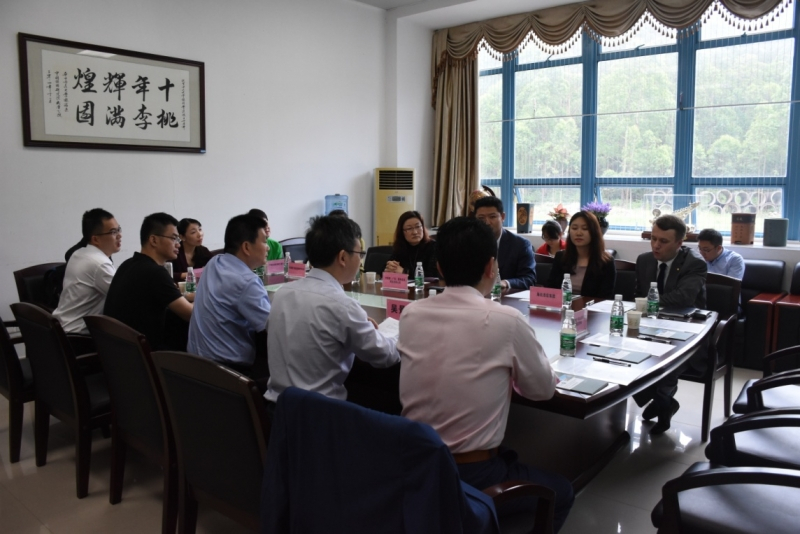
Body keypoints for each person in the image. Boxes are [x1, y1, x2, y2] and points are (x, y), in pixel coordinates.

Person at [397, 216, 573, 532]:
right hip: (474, 472)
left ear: (439, 268)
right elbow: (542, 390)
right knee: (562, 492)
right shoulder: (506, 320)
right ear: (492, 267)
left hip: (417, 462)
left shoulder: (411, 314)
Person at [264, 215, 399, 403]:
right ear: (343, 257)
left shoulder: (282, 293)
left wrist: (358, 325)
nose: (360, 260)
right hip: (320, 413)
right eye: (359, 254)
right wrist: (400, 334)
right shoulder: (342, 306)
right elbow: (385, 356)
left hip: (274, 407)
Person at [633, 214, 707, 435]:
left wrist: (647, 303)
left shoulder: (694, 263)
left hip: (687, 332)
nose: (656, 245)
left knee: (668, 362)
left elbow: (684, 298)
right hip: (649, 328)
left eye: (663, 241)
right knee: (623, 356)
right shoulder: (644, 260)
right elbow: (637, 295)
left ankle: (662, 402)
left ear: (679, 243)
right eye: (653, 238)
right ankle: (663, 401)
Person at [188, 214, 271, 376]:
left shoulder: (214, 263)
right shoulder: (247, 281)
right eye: (264, 241)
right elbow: (272, 327)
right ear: (246, 247)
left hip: (195, 363)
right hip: (228, 373)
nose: (267, 247)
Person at [104, 213, 194, 350]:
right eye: (174, 238)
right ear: (153, 240)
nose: (178, 244)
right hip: (145, 354)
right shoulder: (155, 272)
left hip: (118, 351)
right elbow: (190, 314)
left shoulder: (127, 264)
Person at [53, 209, 121, 335]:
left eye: (119, 229)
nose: (119, 235)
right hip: (77, 336)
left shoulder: (80, 253)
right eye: (113, 232)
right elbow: (125, 297)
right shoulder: (99, 264)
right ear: (95, 239)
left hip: (62, 328)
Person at [545, 211, 616, 300]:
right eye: (574, 228)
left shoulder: (606, 262)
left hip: (591, 308)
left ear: (594, 232)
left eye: (585, 229)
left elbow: (604, 298)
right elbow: (551, 289)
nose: (578, 233)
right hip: (562, 306)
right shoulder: (561, 257)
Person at [474, 196, 536, 292]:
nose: (487, 222)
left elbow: (529, 279)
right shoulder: (469, 243)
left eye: (492, 217)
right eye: (481, 218)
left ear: (502, 217)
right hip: (474, 296)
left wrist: (506, 283)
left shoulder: (521, 245)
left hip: (505, 297)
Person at [384, 211, 437, 277]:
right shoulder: (400, 248)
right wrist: (389, 268)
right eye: (409, 228)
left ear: (423, 227)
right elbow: (383, 270)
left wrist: (404, 272)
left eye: (417, 226)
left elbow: (433, 274)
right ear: (402, 232)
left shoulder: (433, 246)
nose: (415, 232)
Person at [171, 218, 212, 282]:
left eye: (200, 229)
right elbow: (167, 274)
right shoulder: (174, 251)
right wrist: (190, 274)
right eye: (193, 232)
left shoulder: (203, 251)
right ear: (182, 237)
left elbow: (215, 267)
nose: (199, 234)